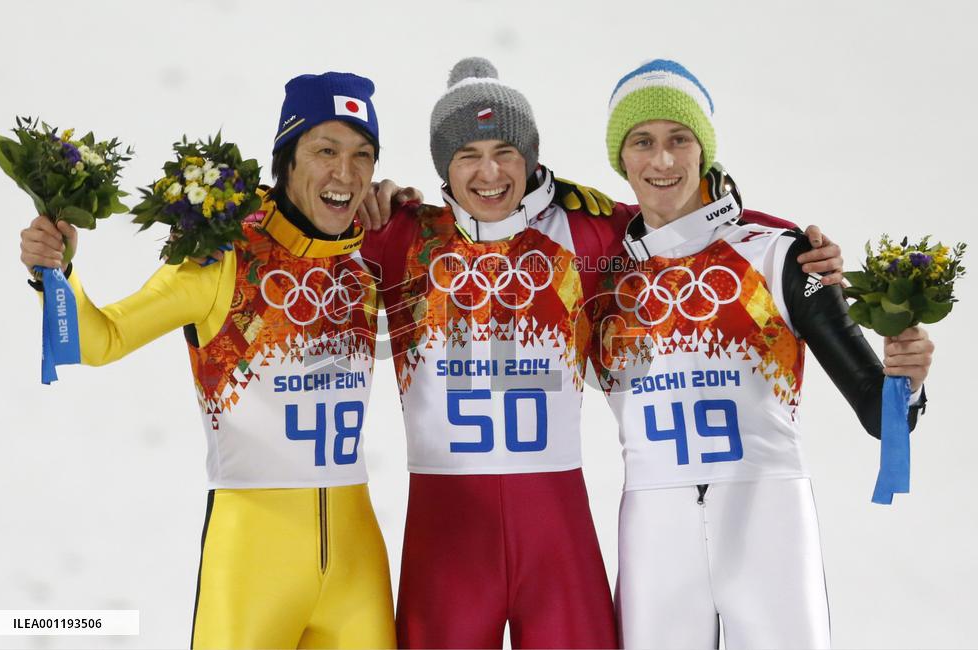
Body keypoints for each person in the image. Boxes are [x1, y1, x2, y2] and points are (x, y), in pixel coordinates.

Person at [357, 57, 843, 649]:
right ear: (444, 167)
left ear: (532, 158)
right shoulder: (401, 234)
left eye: (506, 151)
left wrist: (796, 245)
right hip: (447, 527)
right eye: (467, 155)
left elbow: (686, 218)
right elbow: (305, 219)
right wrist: (366, 194)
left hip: (554, 521)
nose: (490, 172)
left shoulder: (585, 231)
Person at [19, 72, 407, 649]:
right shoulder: (221, 256)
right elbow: (100, 340)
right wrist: (56, 273)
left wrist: (414, 219)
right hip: (252, 558)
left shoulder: (369, 257)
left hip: (358, 565)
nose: (345, 174)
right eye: (325, 151)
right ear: (286, 160)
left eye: (362, 156)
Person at [592, 59, 934, 649]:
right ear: (620, 158)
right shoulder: (599, 269)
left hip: (768, 514)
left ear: (705, 150)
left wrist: (908, 375)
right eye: (642, 142)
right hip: (653, 526)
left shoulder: (779, 255)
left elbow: (885, 416)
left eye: (680, 139)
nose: (664, 161)